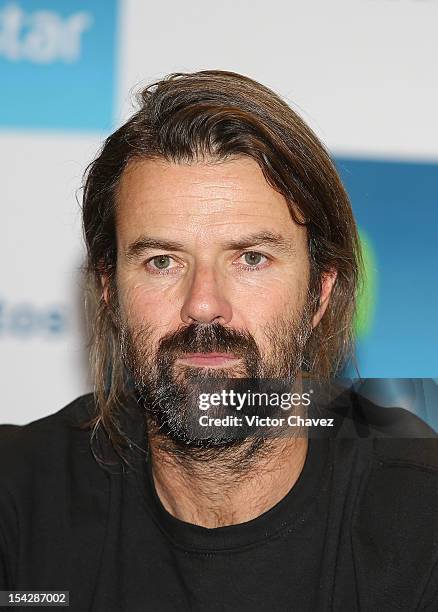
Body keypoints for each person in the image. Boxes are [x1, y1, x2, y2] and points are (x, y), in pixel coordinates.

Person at [0, 70, 437, 611]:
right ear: (110, 292)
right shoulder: (18, 496)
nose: (204, 303)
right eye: (163, 261)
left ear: (320, 292)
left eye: (251, 258)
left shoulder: (423, 516)